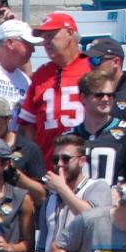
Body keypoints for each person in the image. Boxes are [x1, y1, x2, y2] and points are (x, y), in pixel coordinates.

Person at [33, 132, 112, 252]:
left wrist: (62, 188)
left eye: (66, 159)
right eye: (55, 159)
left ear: (82, 161)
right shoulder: (50, 197)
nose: (59, 164)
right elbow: (44, 249)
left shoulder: (97, 187)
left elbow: (93, 217)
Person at [18, 12, 91, 166]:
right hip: (49, 168)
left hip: (86, 165)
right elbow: (28, 127)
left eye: (51, 35)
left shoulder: (92, 68)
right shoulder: (40, 76)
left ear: (70, 33)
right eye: (44, 38)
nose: (46, 42)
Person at [72, 67, 126, 184]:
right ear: (83, 98)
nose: (106, 99)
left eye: (110, 95)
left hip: (115, 200)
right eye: (99, 95)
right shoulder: (71, 137)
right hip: (78, 200)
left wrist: (121, 191)